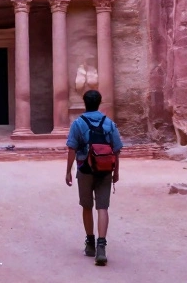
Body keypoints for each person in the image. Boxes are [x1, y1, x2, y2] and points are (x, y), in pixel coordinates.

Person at [65, 89, 122, 266]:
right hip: (105, 169)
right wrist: (116, 171)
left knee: (87, 206)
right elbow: (116, 149)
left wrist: (68, 170)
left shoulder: (78, 123)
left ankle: (90, 244)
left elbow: (72, 149)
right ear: (99, 102)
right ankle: (102, 247)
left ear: (85, 103)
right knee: (103, 208)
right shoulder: (109, 123)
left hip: (85, 169)